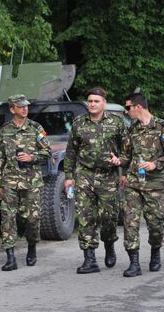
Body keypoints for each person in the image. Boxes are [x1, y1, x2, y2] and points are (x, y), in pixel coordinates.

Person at [109, 92, 164, 277]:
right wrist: (118, 161)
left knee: (155, 225)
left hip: (155, 184)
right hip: (133, 184)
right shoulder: (132, 129)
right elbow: (126, 156)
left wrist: (155, 164)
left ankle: (155, 253)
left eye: (127, 107)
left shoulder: (162, 126)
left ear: (138, 107)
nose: (126, 111)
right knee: (130, 223)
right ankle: (134, 263)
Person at [64, 87, 125, 274]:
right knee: (85, 217)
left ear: (104, 103)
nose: (92, 104)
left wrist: (121, 163)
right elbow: (71, 152)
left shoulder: (117, 123)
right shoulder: (78, 124)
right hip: (84, 176)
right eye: (89, 101)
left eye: (96, 101)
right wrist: (68, 177)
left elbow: (128, 150)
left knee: (108, 217)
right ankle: (89, 259)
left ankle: (109, 244)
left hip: (108, 177)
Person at [0, 94, 51, 271]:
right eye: (20, 106)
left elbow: (48, 152)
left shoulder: (35, 128)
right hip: (9, 182)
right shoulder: (4, 131)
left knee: (33, 218)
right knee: (8, 219)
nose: (25, 109)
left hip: (31, 182)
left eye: (26, 106)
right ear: (12, 109)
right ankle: (10, 258)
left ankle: (32, 247)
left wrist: (31, 157)